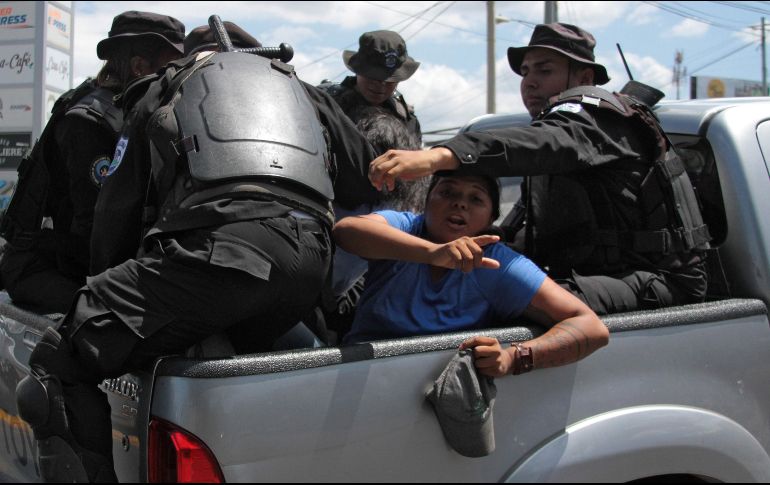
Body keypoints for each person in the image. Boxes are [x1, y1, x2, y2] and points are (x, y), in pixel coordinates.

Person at [15, 21, 381, 483]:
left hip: (224, 257)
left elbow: (117, 208)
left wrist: (109, 296)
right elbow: (367, 175)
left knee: (61, 357)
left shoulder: (168, 84)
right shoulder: (301, 89)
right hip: (310, 266)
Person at [368, 23, 710, 316]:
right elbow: (526, 225)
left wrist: (439, 156)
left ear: (585, 77)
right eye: (526, 72)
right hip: (600, 272)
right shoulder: (554, 140)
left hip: (658, 280)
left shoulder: (598, 120)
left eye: (544, 71)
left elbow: (543, 143)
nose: (529, 82)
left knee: (518, 299)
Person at [0, 11, 185, 314]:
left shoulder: (130, 114)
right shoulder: (90, 122)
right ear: (139, 67)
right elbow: (95, 234)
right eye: (168, 68)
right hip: (42, 268)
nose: (176, 79)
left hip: (77, 264)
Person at [334, 172, 608, 375]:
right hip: (360, 375)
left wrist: (514, 358)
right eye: (447, 193)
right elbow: (346, 231)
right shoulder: (407, 227)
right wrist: (432, 252)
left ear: (490, 219)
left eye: (475, 198)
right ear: (426, 201)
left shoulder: (499, 265)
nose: (459, 204)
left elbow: (590, 327)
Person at [318, 30, 423, 145]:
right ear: (358, 71)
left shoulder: (406, 119)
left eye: (389, 81)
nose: (380, 85)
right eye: (373, 78)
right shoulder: (326, 104)